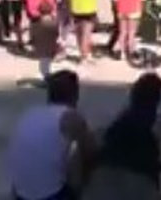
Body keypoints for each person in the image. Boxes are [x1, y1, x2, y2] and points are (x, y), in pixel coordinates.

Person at [83, 73, 161, 200]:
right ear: (158, 99)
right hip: (140, 186)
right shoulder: (160, 125)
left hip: (101, 183)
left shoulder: (116, 121)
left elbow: (92, 148)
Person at [5, 70, 97, 200]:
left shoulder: (32, 113)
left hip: (20, 192)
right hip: (48, 194)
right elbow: (90, 151)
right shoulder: (70, 116)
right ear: (75, 94)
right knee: (82, 163)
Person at [110, 0, 146, 65]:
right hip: (134, 9)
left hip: (121, 8)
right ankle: (130, 52)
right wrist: (142, 10)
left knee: (122, 32)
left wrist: (117, 8)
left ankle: (121, 52)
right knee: (132, 33)